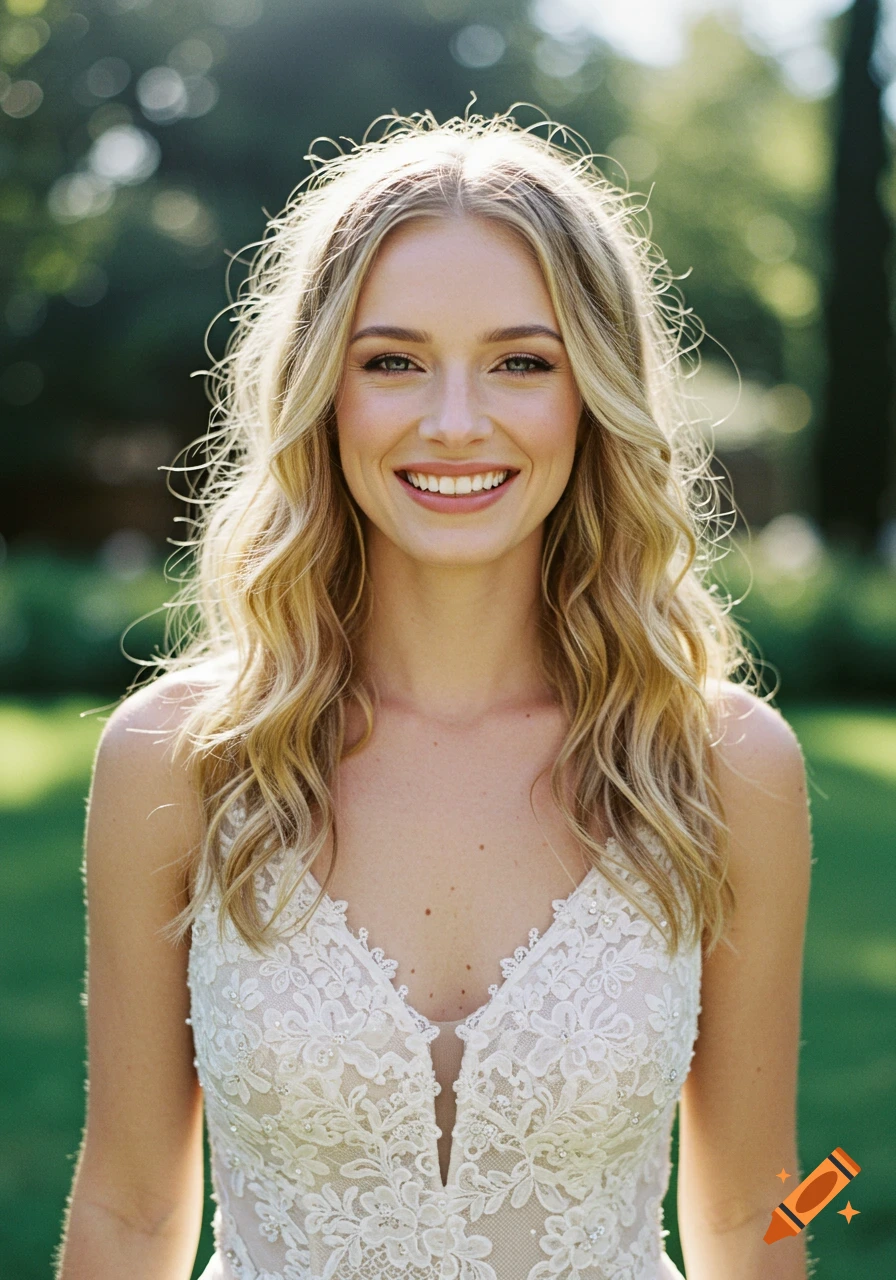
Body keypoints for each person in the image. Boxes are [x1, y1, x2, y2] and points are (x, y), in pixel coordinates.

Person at [55, 109, 812, 1280]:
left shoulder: (720, 765)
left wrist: (823, 1217)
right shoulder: (180, 759)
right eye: (392, 360)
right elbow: (126, 1209)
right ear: (323, 390)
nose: (454, 421)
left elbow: (758, 1210)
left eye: (520, 360)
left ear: (589, 395)